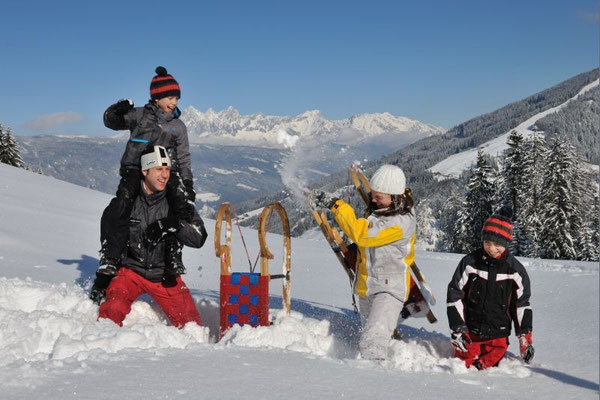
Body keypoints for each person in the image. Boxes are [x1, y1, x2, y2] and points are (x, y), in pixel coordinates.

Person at [90, 146, 207, 328]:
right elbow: (111, 235)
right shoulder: (129, 202)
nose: (164, 175)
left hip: (164, 276)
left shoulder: (176, 202)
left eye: (167, 169)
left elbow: (198, 238)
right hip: (131, 272)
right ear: (145, 171)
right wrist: (103, 279)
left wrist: (172, 224)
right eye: (159, 169)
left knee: (192, 326)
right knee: (111, 312)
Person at [99, 66, 195, 285]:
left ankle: (172, 257)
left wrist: (187, 184)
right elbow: (110, 122)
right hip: (135, 170)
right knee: (122, 205)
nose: (174, 102)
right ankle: (111, 257)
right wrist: (116, 110)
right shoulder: (139, 116)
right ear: (158, 96)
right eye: (170, 97)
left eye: (177, 98)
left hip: (165, 173)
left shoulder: (177, 127)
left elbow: (184, 157)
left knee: (178, 209)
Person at [309, 164, 416, 360]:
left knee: (372, 341)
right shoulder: (384, 209)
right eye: (372, 195)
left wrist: (337, 205)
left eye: (378, 197)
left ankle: (371, 380)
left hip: (389, 290)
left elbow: (363, 234)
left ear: (395, 196)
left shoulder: (400, 222)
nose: (373, 200)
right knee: (369, 335)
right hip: (367, 287)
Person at [446, 206, 534, 370]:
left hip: (498, 335)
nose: (491, 248)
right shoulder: (470, 263)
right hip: (470, 332)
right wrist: (458, 327)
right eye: (487, 242)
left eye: (498, 244)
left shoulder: (515, 271)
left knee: (490, 366)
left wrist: (525, 338)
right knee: (463, 364)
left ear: (507, 244)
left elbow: (521, 306)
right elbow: (454, 296)